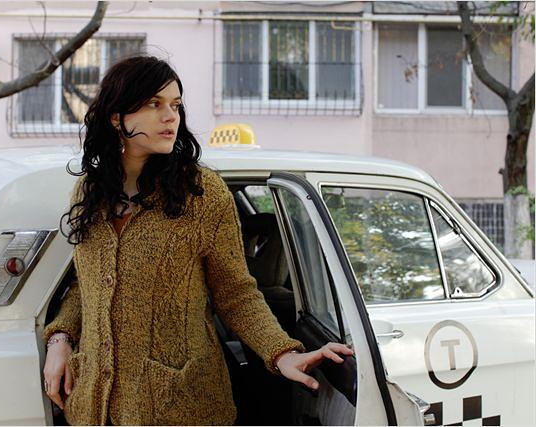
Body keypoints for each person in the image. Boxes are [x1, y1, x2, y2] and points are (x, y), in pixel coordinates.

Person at [42, 55, 353, 426]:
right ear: (116, 117)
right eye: (154, 104)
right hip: (95, 405)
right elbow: (86, 284)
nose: (170, 117)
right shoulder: (90, 191)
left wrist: (282, 353)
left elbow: (236, 294)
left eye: (175, 105)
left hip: (179, 406)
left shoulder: (202, 194)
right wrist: (60, 340)